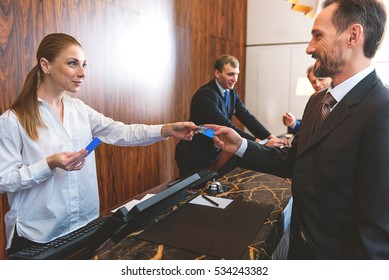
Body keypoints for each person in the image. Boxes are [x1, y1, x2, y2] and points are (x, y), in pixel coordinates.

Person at [210, 0, 389, 259]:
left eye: (318, 36)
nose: (309, 48)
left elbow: (376, 235)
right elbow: (293, 161)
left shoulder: (381, 111)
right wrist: (241, 146)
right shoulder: (318, 101)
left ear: (353, 36)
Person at [0, 33, 198, 255]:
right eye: (72, 63)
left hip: (84, 227)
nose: (82, 73)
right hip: (38, 236)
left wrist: (166, 129)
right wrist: (49, 164)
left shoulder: (79, 109)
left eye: (84, 64)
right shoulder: (12, 120)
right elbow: (4, 180)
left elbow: (122, 132)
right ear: (45, 65)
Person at [175, 54, 288, 176]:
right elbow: (226, 126)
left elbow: (246, 116)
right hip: (194, 153)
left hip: (213, 152)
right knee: (191, 192)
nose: (235, 79)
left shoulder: (231, 92)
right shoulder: (206, 95)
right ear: (217, 74)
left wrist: (270, 136)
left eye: (237, 74)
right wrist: (260, 144)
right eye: (230, 74)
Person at [282, 65, 332, 134]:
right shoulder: (314, 101)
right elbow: (307, 132)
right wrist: (293, 124)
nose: (317, 85)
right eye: (313, 82)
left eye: (321, 79)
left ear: (331, 77)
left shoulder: (341, 99)